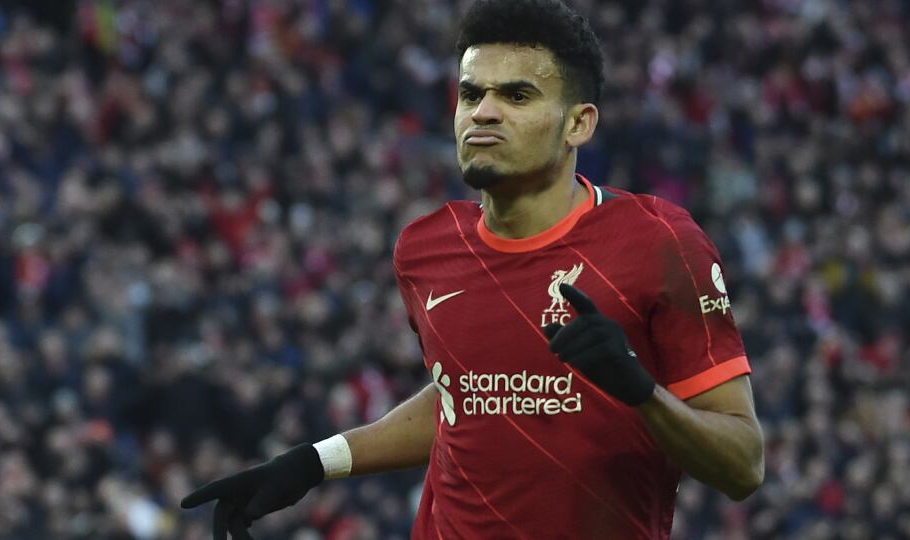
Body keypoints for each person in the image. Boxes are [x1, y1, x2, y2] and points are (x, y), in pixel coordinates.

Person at [180, 0, 765, 537]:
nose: (482, 113)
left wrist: (641, 391)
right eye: (470, 93)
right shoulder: (424, 247)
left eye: (516, 96)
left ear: (578, 124)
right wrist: (316, 461)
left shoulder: (659, 242)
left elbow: (743, 464)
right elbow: (465, 396)